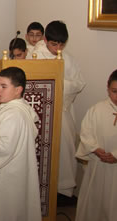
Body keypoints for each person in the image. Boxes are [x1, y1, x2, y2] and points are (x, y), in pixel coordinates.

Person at [0, 66, 41, 221]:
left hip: (6, 175)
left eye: (4, 87)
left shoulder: (13, 114)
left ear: (18, 90)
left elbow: (3, 147)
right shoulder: (19, 109)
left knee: (2, 211)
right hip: (13, 171)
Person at [28, 20, 86, 196]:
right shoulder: (35, 56)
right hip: (40, 114)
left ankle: (59, 191)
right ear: (45, 40)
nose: (58, 49)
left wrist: (61, 84)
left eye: (62, 44)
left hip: (63, 112)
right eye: (54, 44)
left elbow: (79, 83)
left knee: (64, 150)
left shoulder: (68, 59)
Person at [75, 68, 117, 221]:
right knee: (95, 202)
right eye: (114, 91)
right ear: (107, 87)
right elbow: (86, 133)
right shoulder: (97, 110)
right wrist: (95, 149)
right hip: (98, 166)